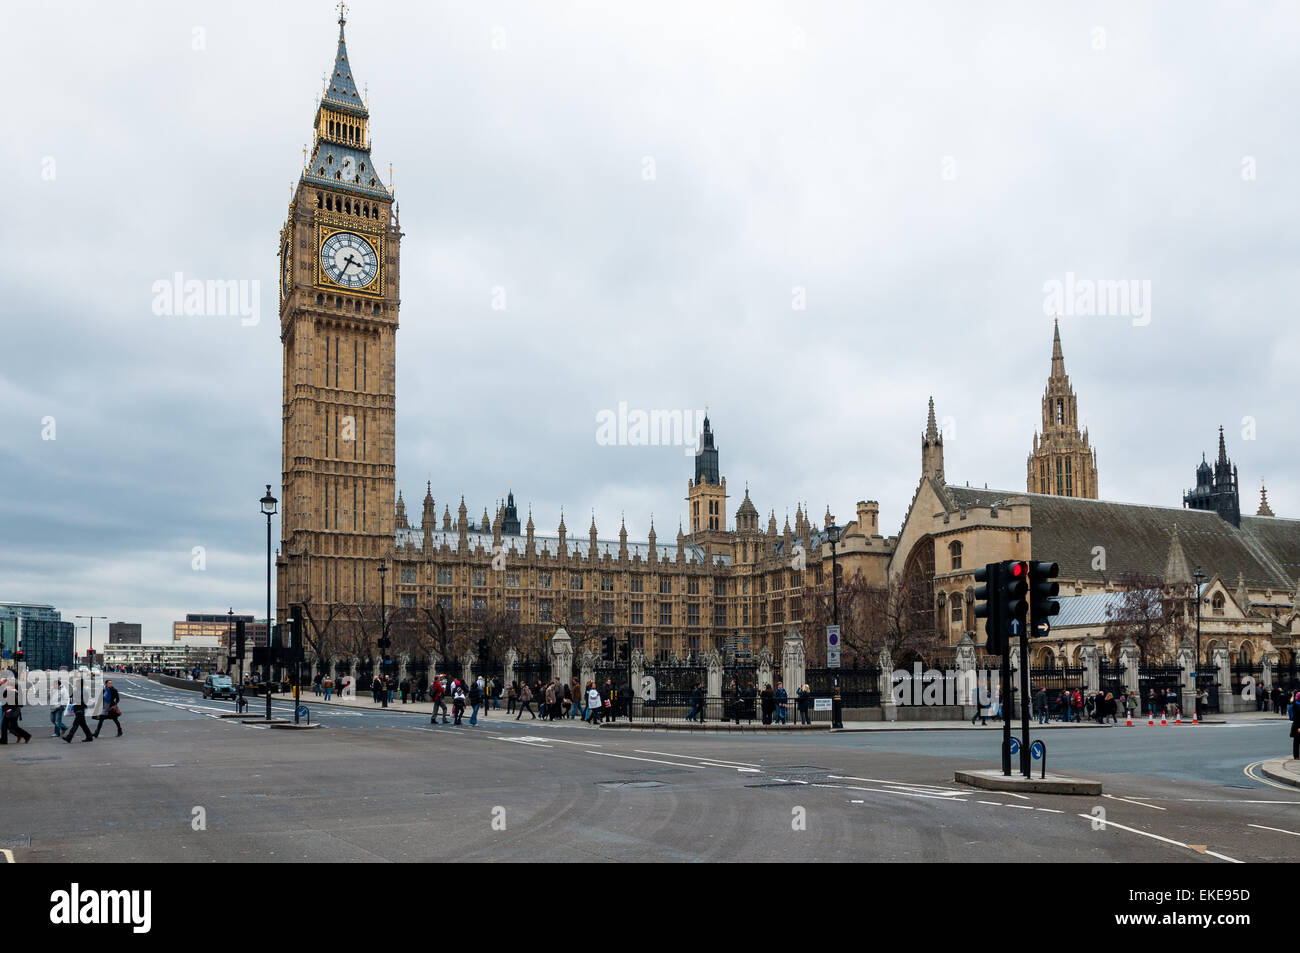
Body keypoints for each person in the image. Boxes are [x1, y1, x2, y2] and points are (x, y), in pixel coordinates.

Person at [64, 671, 95, 743]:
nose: (76, 684)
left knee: (75, 724)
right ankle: (89, 737)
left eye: (77, 683)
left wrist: (77, 700)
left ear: (80, 684)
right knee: (83, 724)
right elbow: (71, 697)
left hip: (80, 708)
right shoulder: (76, 690)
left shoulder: (84, 691)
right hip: (77, 708)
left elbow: (86, 700)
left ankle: (69, 737)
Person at [0, 680, 31, 744]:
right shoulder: (8, 691)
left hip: (12, 712)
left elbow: (19, 704)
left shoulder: (14, 693)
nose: (6, 686)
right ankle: (4, 740)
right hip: (10, 711)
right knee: (8, 726)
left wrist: (11, 708)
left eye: (8, 685)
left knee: (10, 726)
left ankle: (27, 736)